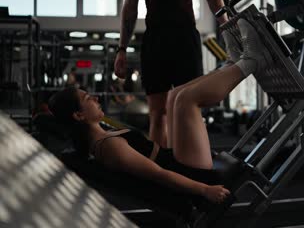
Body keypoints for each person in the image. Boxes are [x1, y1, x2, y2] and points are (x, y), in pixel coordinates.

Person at [49, 18, 269, 205]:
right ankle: (252, 61)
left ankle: (232, 64)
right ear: (78, 115)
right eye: (88, 99)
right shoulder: (108, 146)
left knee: (174, 96)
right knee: (186, 100)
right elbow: (159, 175)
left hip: (176, 160)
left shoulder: (102, 138)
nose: (95, 98)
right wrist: (204, 190)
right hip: (191, 174)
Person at [114, 0, 229, 149]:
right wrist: (121, 49)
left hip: (185, 38)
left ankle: (194, 165)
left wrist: (227, 27)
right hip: (155, 41)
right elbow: (130, 6)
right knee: (158, 114)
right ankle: (160, 170)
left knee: (191, 109)